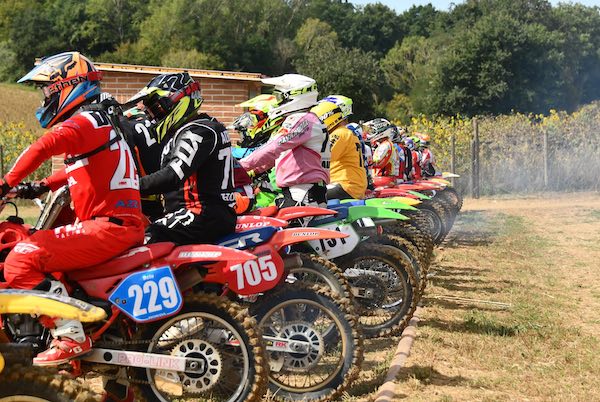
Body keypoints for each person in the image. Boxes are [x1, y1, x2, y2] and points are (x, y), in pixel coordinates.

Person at [0, 51, 145, 365]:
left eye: (48, 91)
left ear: (70, 86)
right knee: (41, 251)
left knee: (20, 259)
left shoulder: (84, 121)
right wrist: (38, 185)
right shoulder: (99, 121)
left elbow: (43, 146)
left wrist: (6, 181)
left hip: (107, 227)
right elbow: (81, 169)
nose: (44, 98)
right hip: (115, 224)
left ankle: (69, 334)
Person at [134, 74, 237, 245]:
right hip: (209, 213)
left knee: (144, 240)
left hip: (201, 214)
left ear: (176, 101)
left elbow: (172, 175)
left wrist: (127, 187)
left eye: (157, 109)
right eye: (151, 112)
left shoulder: (198, 131)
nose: (153, 117)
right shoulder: (205, 126)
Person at [238, 74, 329, 207]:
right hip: (306, 192)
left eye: (280, 97)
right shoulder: (309, 119)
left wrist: (239, 166)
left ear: (293, 96)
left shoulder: (301, 120)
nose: (277, 102)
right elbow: (280, 155)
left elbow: (273, 148)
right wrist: (253, 171)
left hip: (302, 193)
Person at [313, 96, 367, 200]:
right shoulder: (345, 132)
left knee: (306, 197)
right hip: (350, 185)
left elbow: (321, 157)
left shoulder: (339, 133)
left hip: (345, 185)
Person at [365, 118, 403, 183]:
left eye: (373, 131)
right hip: (385, 179)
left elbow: (377, 163)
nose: (371, 133)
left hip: (383, 180)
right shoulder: (386, 144)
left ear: (381, 131)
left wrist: (363, 161)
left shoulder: (385, 145)